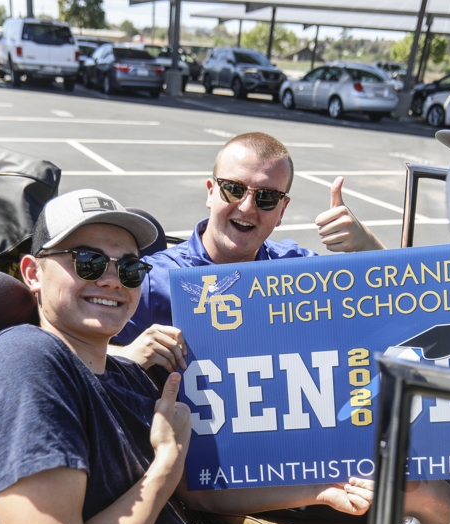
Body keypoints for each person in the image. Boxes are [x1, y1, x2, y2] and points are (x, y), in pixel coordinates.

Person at [0, 188, 441, 524]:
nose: (111, 280)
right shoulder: (26, 363)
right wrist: (163, 468)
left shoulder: (121, 375)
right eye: (88, 262)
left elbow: (199, 491)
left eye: (129, 268)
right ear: (33, 273)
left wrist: (321, 488)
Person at [110, 131, 385, 369]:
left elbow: (393, 313)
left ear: (282, 211)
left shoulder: (296, 273)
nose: (246, 207)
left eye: (267, 197)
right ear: (211, 192)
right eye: (233, 189)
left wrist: (368, 245)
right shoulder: (154, 280)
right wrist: (128, 355)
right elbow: (85, 349)